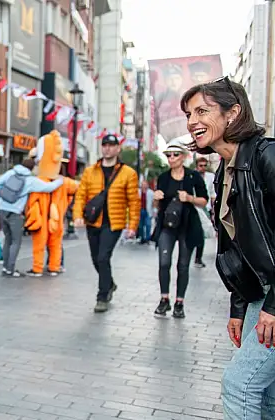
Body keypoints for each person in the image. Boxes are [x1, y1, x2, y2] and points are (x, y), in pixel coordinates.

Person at [181, 77, 275, 420]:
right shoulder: (226, 169)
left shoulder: (266, 156)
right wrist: (240, 307)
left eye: (202, 111)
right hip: (261, 295)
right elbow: (237, 249)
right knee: (266, 395)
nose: (192, 122)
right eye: (189, 114)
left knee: (240, 383)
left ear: (233, 112)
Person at [73, 134, 140, 313]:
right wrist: (77, 215)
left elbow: (134, 201)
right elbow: (81, 195)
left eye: (111, 145)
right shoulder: (90, 171)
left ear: (118, 148)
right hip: (93, 221)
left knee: (103, 257)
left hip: (114, 223)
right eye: (105, 145)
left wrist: (132, 226)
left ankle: (102, 296)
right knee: (96, 259)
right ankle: (109, 283)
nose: (107, 148)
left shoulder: (128, 173)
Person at [151, 139, 208, 319]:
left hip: (187, 226)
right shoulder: (163, 177)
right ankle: (164, 299)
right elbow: (156, 206)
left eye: (175, 155)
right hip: (167, 226)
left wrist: (189, 198)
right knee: (164, 263)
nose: (171, 158)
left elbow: (204, 200)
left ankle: (179, 303)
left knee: (183, 266)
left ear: (183, 157)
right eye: (168, 155)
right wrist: (155, 198)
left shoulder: (193, 176)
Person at [0, 153, 64, 278]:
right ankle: (10, 269)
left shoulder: (11, 173)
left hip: (2, 210)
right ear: (31, 168)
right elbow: (49, 187)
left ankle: (5, 267)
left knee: (8, 240)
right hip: (15, 213)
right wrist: (60, 180)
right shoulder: (30, 180)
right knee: (16, 242)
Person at [193, 154, 217, 268]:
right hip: (194, 207)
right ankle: (193, 255)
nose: (203, 167)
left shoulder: (210, 177)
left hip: (205, 208)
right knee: (195, 232)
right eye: (200, 165)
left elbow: (213, 194)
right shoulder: (192, 176)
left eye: (204, 165)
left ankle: (198, 257)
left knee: (202, 233)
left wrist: (213, 210)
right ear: (197, 166)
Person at [137, 179, 154, 244]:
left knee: (148, 225)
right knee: (140, 226)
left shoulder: (151, 193)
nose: (144, 186)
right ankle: (142, 238)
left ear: (147, 185)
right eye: (142, 184)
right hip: (139, 211)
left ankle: (147, 238)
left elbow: (154, 202)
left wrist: (155, 210)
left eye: (145, 184)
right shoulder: (137, 192)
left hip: (148, 211)